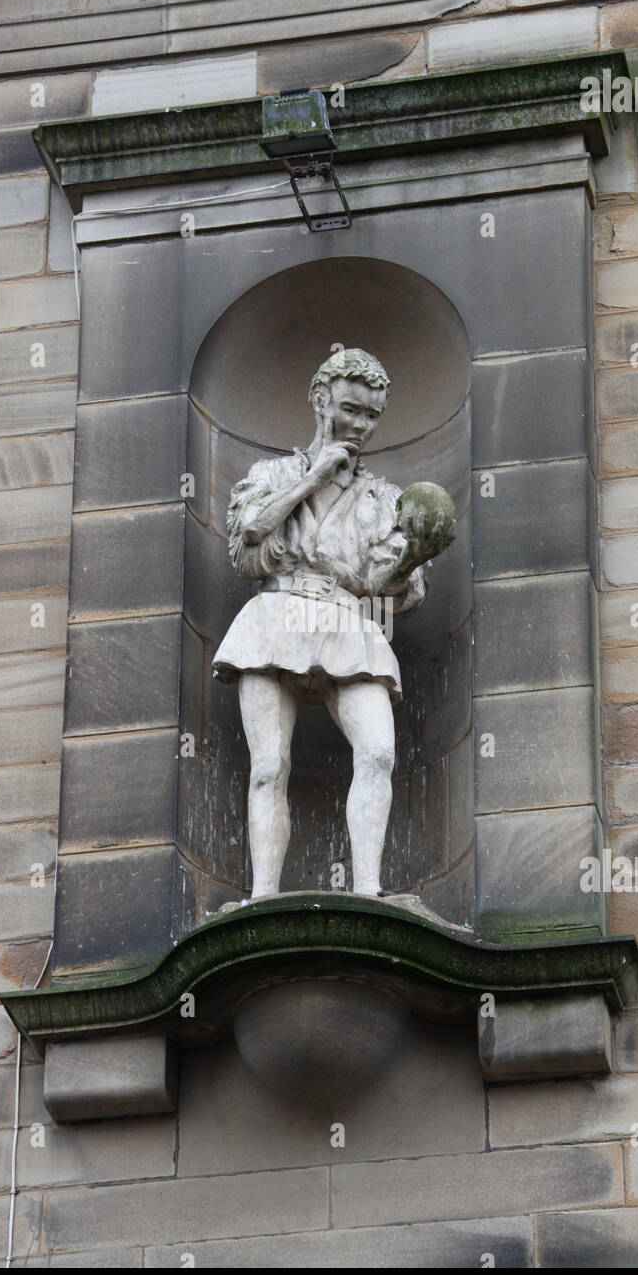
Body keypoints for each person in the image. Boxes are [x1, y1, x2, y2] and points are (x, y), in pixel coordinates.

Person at [213, 346, 452, 897]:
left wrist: (416, 551)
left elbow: (387, 587)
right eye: (351, 410)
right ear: (321, 402)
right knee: (269, 765)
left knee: (378, 753)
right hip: (277, 615)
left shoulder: (383, 497)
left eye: (372, 415)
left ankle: (367, 890)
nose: (362, 425)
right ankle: (263, 895)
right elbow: (248, 541)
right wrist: (315, 476)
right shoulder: (271, 473)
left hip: (350, 619)